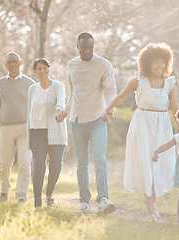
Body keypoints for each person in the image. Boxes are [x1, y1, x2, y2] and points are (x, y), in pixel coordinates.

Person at [102, 42, 179, 221]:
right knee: (146, 164)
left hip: (162, 126)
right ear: (146, 63)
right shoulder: (138, 81)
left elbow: (176, 110)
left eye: (163, 62)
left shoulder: (170, 83)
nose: (160, 66)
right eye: (156, 62)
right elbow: (121, 96)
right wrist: (107, 110)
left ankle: (151, 203)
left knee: (161, 164)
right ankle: (150, 207)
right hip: (142, 125)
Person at [57, 32, 116, 214]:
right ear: (78, 47)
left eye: (91, 47)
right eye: (84, 47)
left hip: (98, 120)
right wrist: (64, 112)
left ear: (93, 46)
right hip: (76, 121)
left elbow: (110, 91)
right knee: (81, 164)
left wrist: (109, 110)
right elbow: (72, 94)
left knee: (100, 159)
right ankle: (84, 202)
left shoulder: (104, 65)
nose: (88, 51)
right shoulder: (72, 65)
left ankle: (103, 200)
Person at [0, 52, 35, 205]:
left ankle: (21, 196)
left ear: (20, 63)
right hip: (6, 128)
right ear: (5, 64)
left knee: (24, 162)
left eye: (15, 61)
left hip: (25, 128)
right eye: (9, 62)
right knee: (4, 164)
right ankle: (4, 189)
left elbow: (35, 108)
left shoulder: (30, 83)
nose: (12, 64)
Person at [27, 58, 67, 208]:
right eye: (39, 69)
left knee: (56, 166)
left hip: (55, 129)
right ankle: (37, 201)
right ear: (35, 72)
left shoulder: (58, 86)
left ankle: (49, 194)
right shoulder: (32, 89)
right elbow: (28, 111)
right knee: (39, 166)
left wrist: (59, 111)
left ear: (49, 69)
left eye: (45, 68)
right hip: (37, 131)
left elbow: (61, 100)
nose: (42, 71)